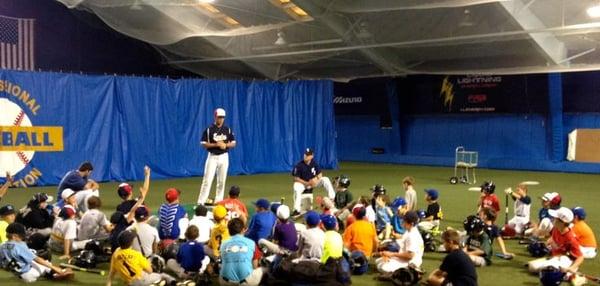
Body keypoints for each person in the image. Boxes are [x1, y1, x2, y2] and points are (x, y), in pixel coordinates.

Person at [0, 223, 73, 282]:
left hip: (17, 275)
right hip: (29, 275)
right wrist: (55, 268)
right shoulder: (19, 245)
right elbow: (36, 259)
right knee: (44, 263)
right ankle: (55, 274)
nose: (22, 238)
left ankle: (52, 273)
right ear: (14, 236)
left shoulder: (1, 246)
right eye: (21, 236)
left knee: (31, 261)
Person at [106, 230, 175, 286]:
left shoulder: (116, 253)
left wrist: (109, 283)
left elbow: (112, 271)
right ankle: (176, 283)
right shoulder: (136, 254)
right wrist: (148, 264)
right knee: (163, 276)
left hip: (129, 282)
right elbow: (150, 271)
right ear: (131, 243)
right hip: (141, 281)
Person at [197, 107, 236, 205]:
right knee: (207, 180)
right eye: (219, 117)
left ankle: (219, 202)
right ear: (215, 117)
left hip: (224, 156)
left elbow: (234, 143)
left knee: (222, 181)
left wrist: (226, 145)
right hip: (212, 156)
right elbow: (203, 143)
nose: (221, 119)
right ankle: (201, 202)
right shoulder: (209, 130)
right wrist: (216, 144)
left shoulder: (227, 129)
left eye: (222, 117)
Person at [527, 207, 584, 274]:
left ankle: (569, 273)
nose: (553, 219)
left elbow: (580, 257)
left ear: (562, 222)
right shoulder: (556, 229)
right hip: (555, 257)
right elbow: (552, 239)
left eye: (555, 218)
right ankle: (558, 270)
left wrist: (572, 267)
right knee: (532, 267)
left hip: (565, 259)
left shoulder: (571, 238)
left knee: (547, 270)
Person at [219, 218, 264, 286]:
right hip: (246, 282)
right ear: (243, 230)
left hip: (226, 282)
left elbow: (224, 261)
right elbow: (255, 266)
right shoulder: (251, 243)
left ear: (229, 231)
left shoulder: (223, 244)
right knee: (264, 269)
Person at [291, 148, 335, 216]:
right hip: (303, 184)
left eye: (308, 155)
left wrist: (316, 179)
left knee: (325, 179)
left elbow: (320, 174)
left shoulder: (314, 163)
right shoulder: (299, 165)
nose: (305, 156)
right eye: (305, 154)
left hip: (313, 183)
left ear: (312, 156)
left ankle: (332, 200)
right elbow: (296, 178)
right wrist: (307, 183)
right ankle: (297, 210)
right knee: (296, 187)